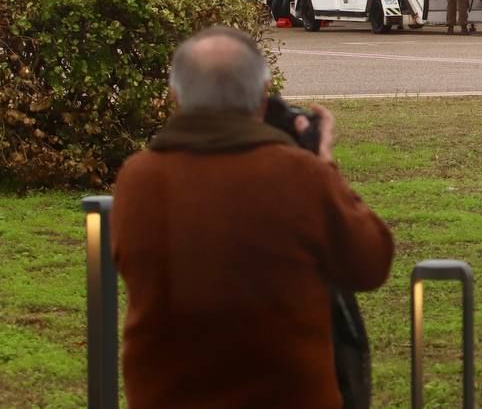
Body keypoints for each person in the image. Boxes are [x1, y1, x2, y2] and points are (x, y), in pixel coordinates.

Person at [112, 27, 394, 409]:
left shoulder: (137, 178)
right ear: (262, 98)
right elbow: (370, 263)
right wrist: (324, 164)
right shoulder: (299, 175)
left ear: (176, 97)